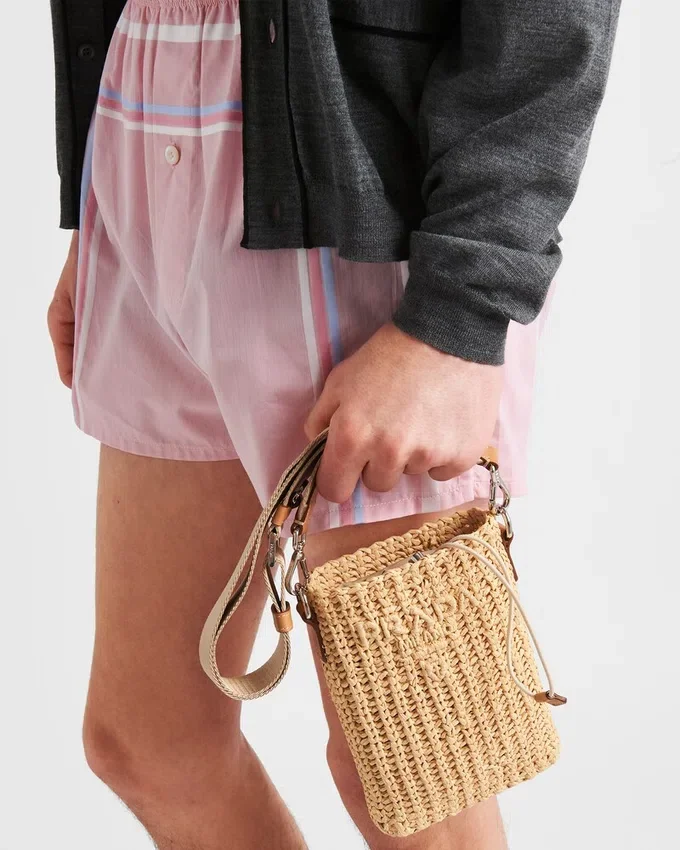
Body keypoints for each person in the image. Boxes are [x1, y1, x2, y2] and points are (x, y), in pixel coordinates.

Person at [47, 1, 620, 847]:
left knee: (414, 769)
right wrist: (106, 205)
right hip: (141, 131)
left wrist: (460, 311)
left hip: (348, 180)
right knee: (148, 740)